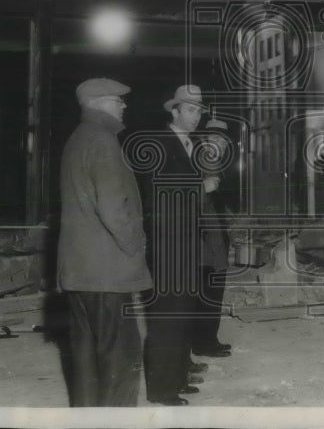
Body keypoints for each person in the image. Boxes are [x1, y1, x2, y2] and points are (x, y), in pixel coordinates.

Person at [57, 78, 151, 407]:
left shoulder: (78, 138)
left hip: (81, 272)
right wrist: (136, 244)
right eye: (117, 100)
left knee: (86, 361)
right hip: (107, 273)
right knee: (120, 360)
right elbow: (113, 208)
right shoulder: (102, 141)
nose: (124, 106)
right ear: (98, 104)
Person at [139, 84, 206, 405]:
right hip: (169, 245)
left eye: (199, 110)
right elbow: (156, 197)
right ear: (174, 111)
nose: (197, 116)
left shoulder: (189, 143)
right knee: (166, 317)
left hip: (186, 243)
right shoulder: (162, 143)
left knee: (181, 314)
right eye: (191, 110)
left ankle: (177, 377)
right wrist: (200, 186)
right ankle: (161, 389)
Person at [190, 118, 234, 359]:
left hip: (214, 238)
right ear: (204, 140)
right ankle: (203, 342)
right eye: (215, 139)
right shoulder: (201, 160)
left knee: (211, 290)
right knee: (206, 291)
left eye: (224, 141)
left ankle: (207, 340)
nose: (220, 144)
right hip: (203, 239)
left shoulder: (216, 164)